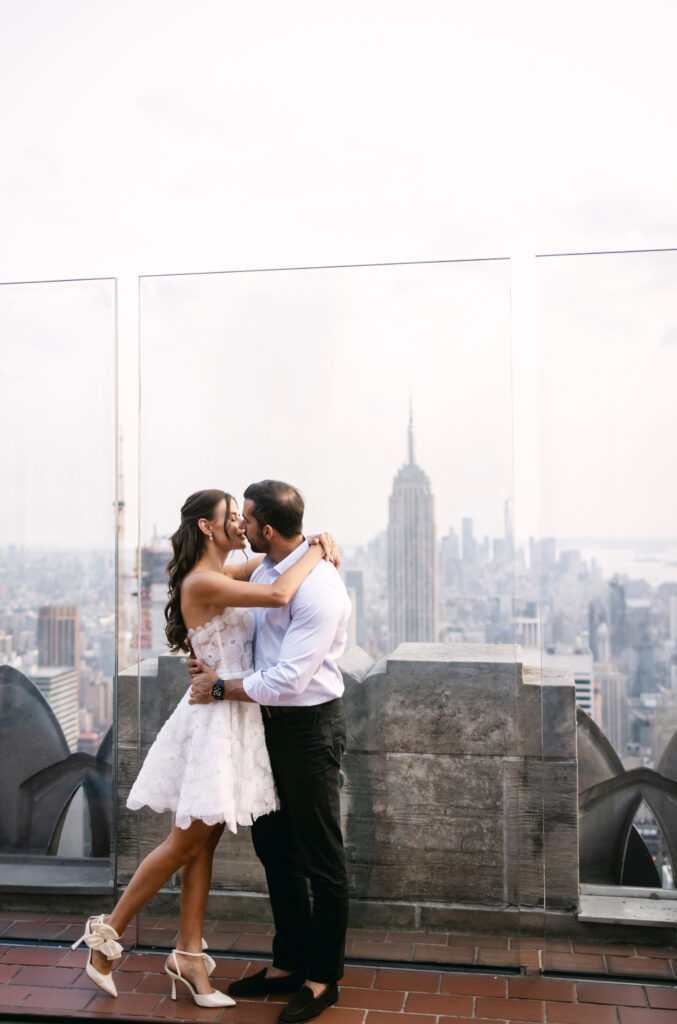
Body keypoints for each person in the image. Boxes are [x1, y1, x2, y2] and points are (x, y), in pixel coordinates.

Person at [72, 488, 337, 1009]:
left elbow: (270, 562)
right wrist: (316, 547)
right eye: (231, 517)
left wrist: (313, 541)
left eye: (244, 516)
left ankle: (190, 955)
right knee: (182, 843)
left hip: (234, 714)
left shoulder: (226, 572)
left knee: (203, 844)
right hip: (217, 719)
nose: (241, 523)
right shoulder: (203, 580)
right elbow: (281, 593)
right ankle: (106, 936)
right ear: (207, 528)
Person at [188, 479, 351, 1024]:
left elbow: (288, 678)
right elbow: (212, 585)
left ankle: (322, 977)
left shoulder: (319, 588)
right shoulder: (265, 571)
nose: (242, 526)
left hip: (307, 729)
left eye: (248, 519)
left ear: (269, 530)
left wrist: (219, 688)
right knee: (275, 849)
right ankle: (288, 962)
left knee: (321, 855)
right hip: (268, 729)